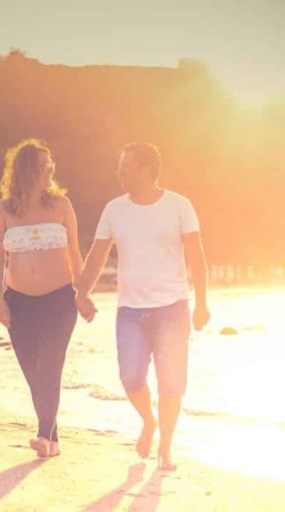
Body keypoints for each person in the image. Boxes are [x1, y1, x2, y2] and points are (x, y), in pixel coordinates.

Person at [75, 142, 210, 469]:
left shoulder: (179, 206)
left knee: (171, 382)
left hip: (172, 307)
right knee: (131, 376)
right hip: (131, 310)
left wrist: (202, 303)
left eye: (126, 167)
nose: (120, 173)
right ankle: (148, 421)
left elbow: (196, 256)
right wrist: (82, 293)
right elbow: (97, 254)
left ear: (147, 169)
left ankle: (165, 447)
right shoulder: (114, 209)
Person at [0, 139, 84, 458]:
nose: (52, 170)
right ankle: (53, 439)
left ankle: (43, 436)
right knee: (33, 373)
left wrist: (83, 294)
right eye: (45, 166)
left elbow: (75, 255)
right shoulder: (3, 209)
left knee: (50, 368)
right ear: (29, 171)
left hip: (59, 302)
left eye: (52, 165)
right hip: (19, 303)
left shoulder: (62, 205)